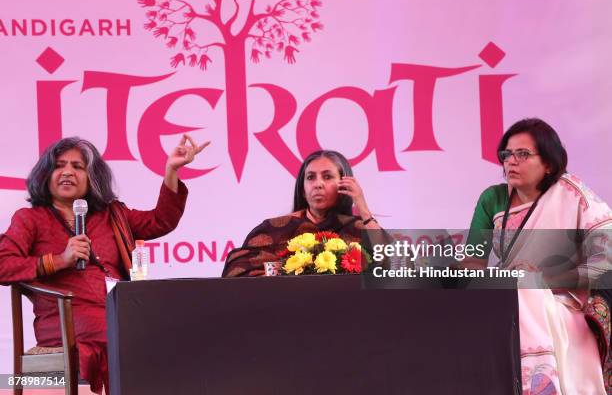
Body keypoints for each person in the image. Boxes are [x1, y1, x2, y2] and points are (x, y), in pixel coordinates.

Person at [0, 134, 208, 394]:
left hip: (121, 311)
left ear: (91, 178)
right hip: (69, 320)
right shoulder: (30, 219)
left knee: (175, 331)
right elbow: (4, 265)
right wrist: (60, 260)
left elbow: (161, 220)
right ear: (45, 174)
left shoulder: (112, 215)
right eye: (59, 165)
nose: (67, 172)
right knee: (136, 335)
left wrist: (171, 170)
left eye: (77, 167)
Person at [467, 118, 612, 394]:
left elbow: (606, 259)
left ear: (548, 164)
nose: (511, 161)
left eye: (522, 154)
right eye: (506, 154)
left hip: (563, 301)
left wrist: (542, 280)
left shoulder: (572, 194)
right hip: (508, 297)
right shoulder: (493, 199)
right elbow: (473, 261)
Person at [222, 150, 382, 277]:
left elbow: (398, 266)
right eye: (311, 177)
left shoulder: (360, 228)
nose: (318, 184)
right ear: (303, 190)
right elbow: (238, 270)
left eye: (327, 176)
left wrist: (363, 209)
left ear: (344, 186)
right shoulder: (274, 229)